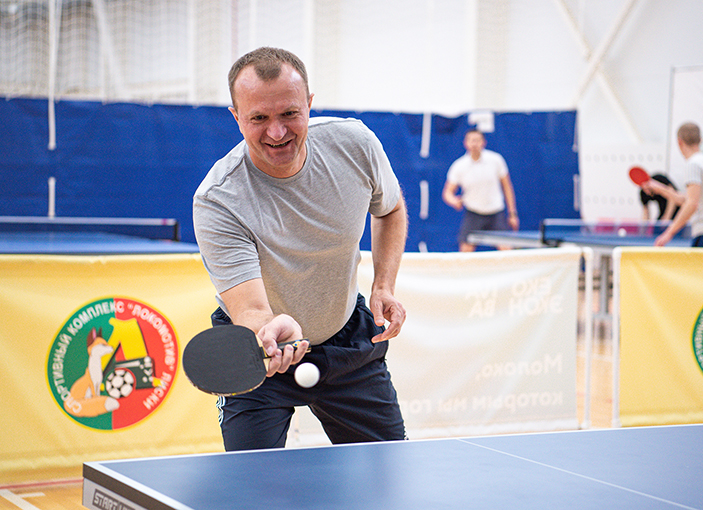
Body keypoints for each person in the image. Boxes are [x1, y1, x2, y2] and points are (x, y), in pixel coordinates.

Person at [193, 47, 408, 451]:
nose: (277, 132)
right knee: (252, 492)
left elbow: (391, 207)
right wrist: (271, 333)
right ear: (236, 117)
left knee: (387, 475)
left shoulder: (355, 145)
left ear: (309, 104)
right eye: (259, 118)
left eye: (289, 114)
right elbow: (250, 309)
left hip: (348, 341)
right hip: (262, 357)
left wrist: (383, 285)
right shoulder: (218, 199)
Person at [649, 122, 703, 247]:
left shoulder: (693, 164)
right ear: (700, 140)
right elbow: (688, 199)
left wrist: (668, 233)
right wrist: (661, 189)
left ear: (679, 142)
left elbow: (692, 203)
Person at [442, 129, 519, 252]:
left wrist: (512, 214)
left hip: (496, 213)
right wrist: (454, 201)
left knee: (507, 251)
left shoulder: (496, 160)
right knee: (465, 253)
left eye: (477, 140)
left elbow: (507, 187)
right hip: (473, 213)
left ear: (484, 142)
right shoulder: (459, 166)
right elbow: (447, 193)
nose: (474, 144)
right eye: (471, 140)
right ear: (465, 143)